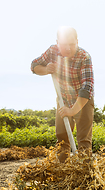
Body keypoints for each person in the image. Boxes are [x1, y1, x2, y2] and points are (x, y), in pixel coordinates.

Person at [31, 26, 94, 162]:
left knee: (84, 139)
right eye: (64, 45)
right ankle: (63, 170)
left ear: (77, 41)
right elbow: (34, 66)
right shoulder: (52, 51)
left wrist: (72, 111)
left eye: (72, 44)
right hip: (63, 99)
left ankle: (85, 171)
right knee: (62, 137)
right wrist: (46, 69)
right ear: (57, 42)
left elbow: (87, 86)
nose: (69, 49)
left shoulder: (84, 57)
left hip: (82, 101)